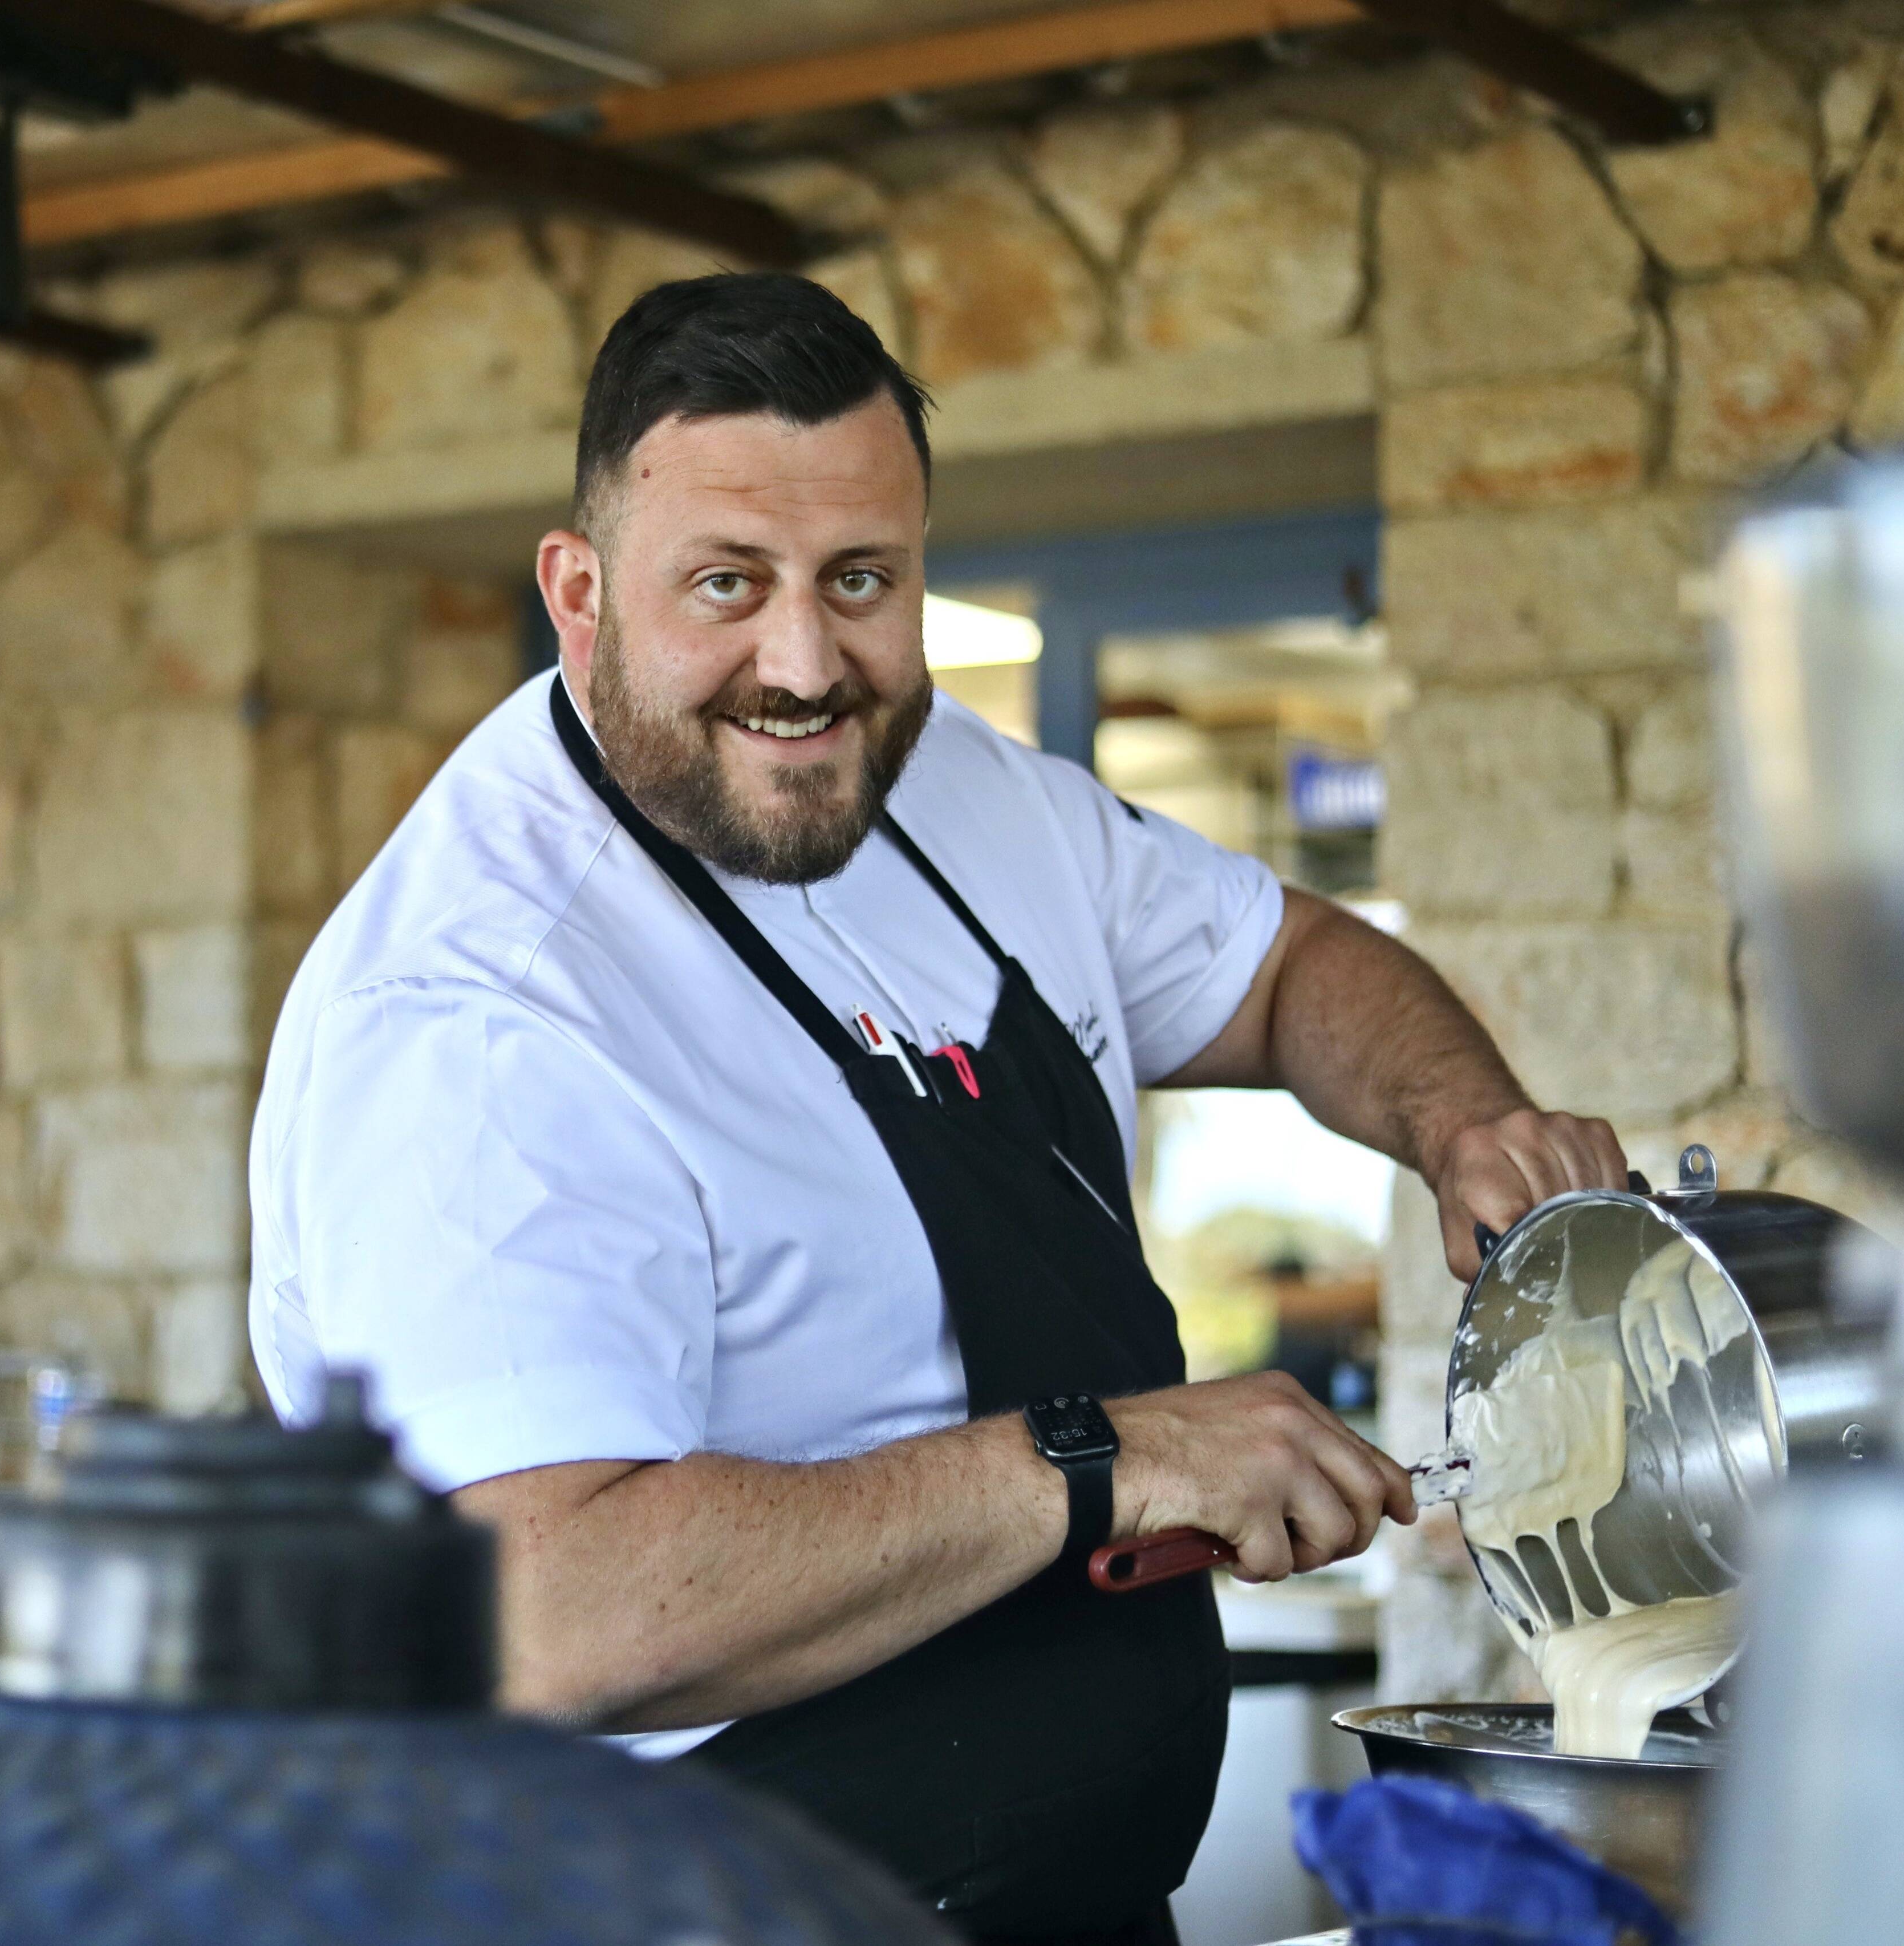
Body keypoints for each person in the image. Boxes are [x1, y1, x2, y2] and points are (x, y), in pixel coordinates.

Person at [248, 272, 1630, 1944]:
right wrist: (1102, 1458)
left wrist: (1459, 1118)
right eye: (726, 585)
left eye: (861, 582)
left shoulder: (957, 791)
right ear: (580, 591)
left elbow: (1286, 965)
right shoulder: (479, 1009)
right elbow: (545, 1609)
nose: (803, 663)